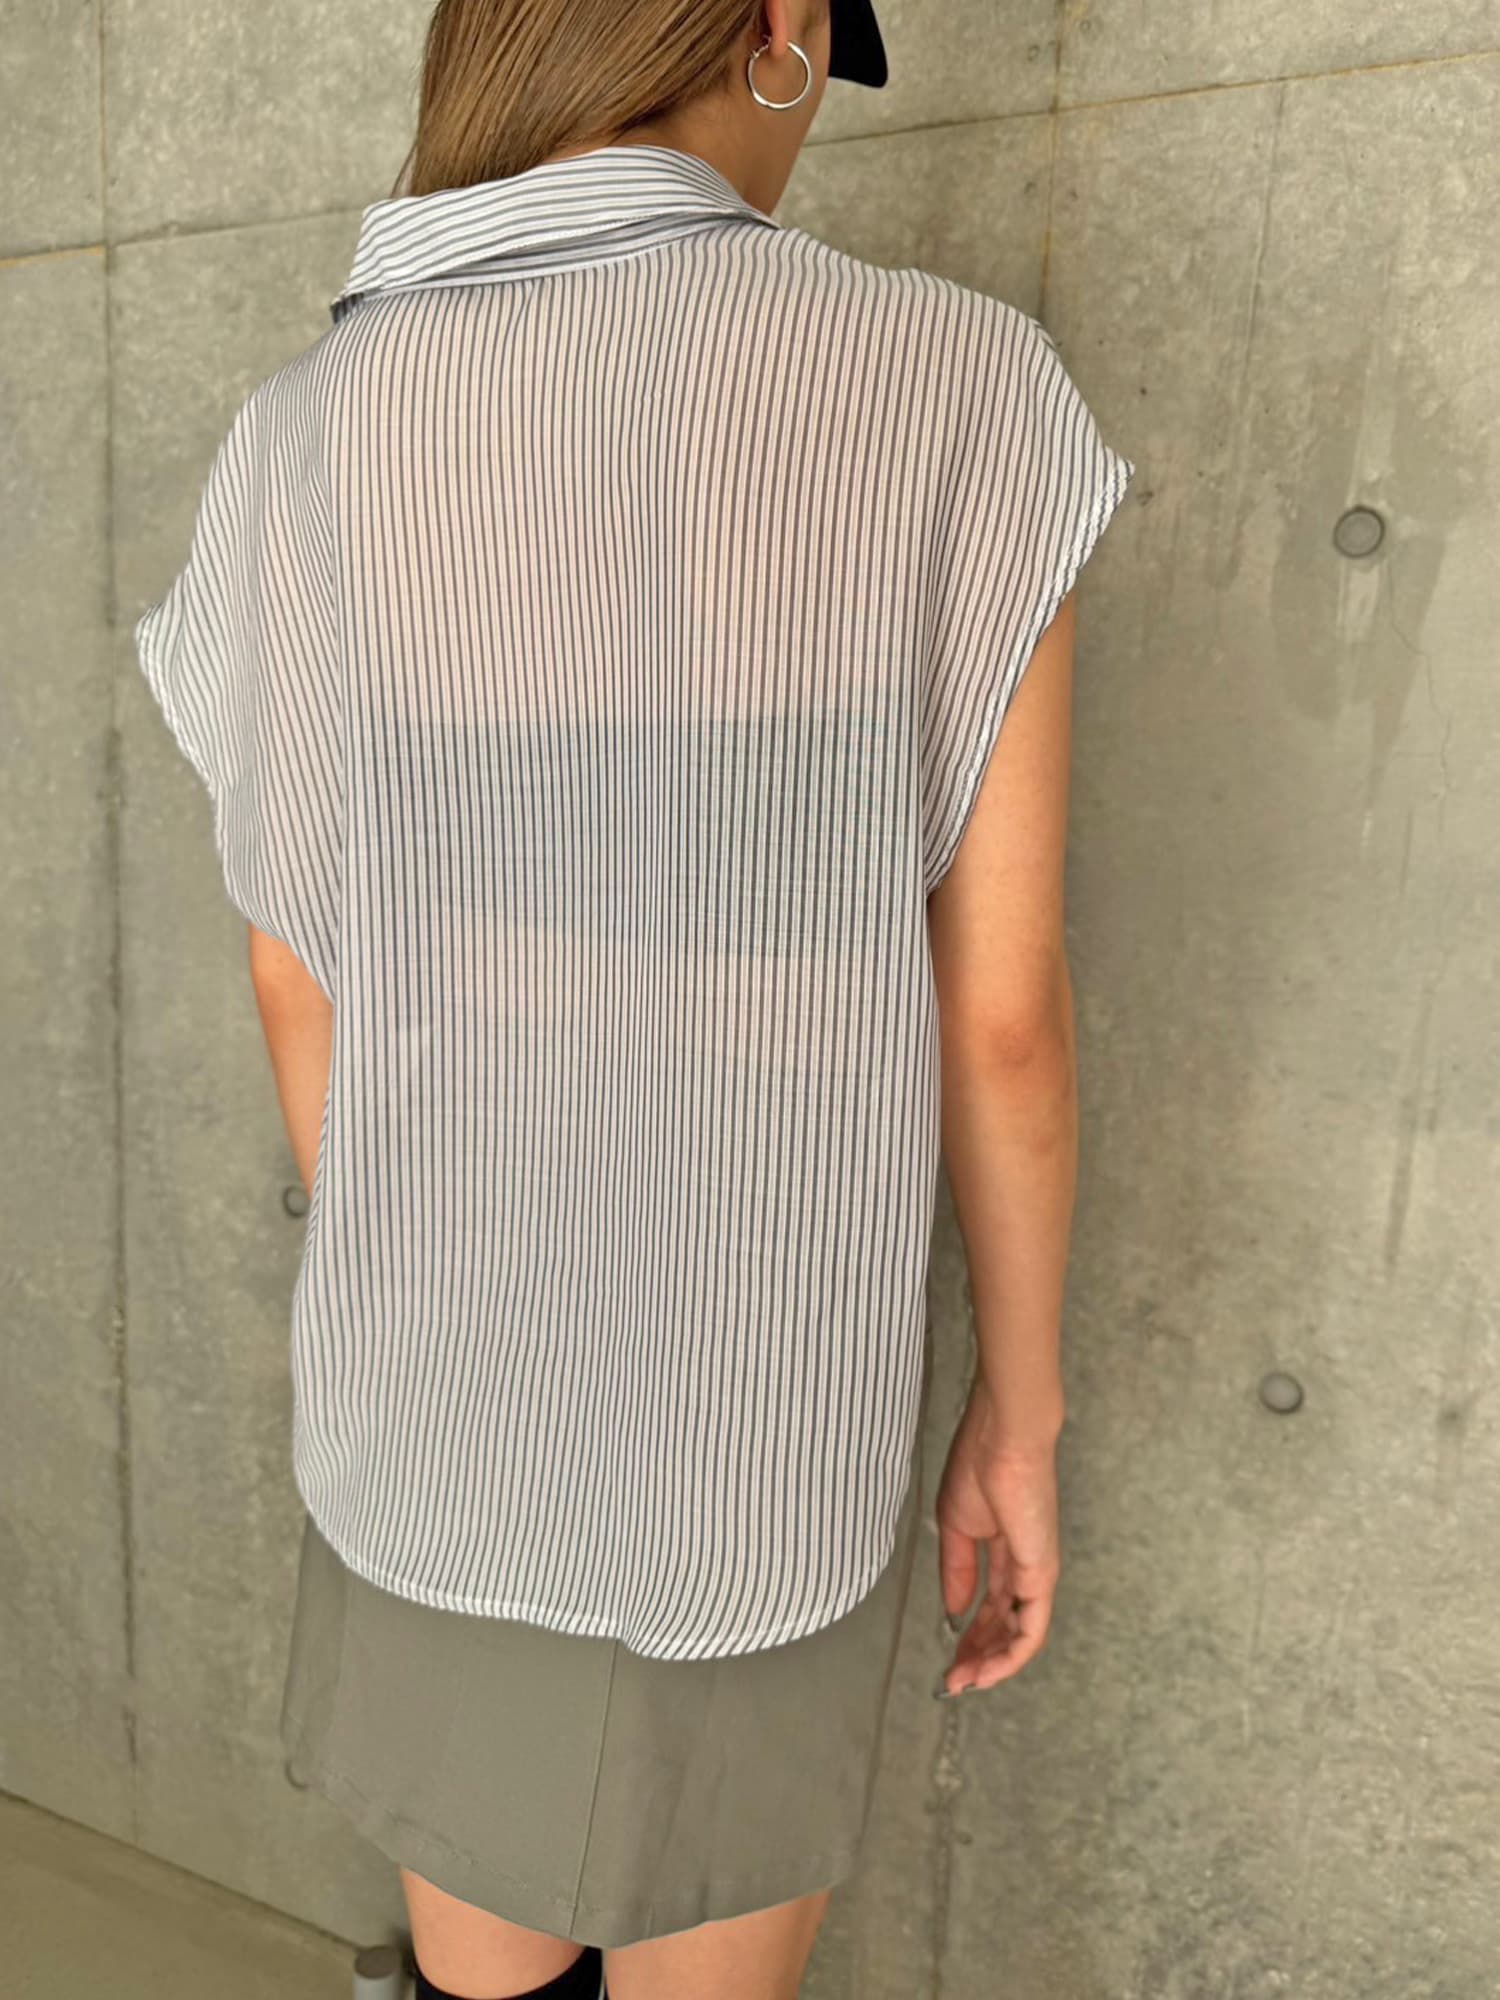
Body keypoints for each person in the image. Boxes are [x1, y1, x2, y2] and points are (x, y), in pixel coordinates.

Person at [132, 0, 1134, 1994]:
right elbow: (1000, 1015)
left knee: (480, 1970)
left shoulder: (313, 427)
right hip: (764, 1403)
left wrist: (424, 1256)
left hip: (439, 1387)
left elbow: (290, 955)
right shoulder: (955, 384)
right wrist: (1016, 1415)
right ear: (777, 29)